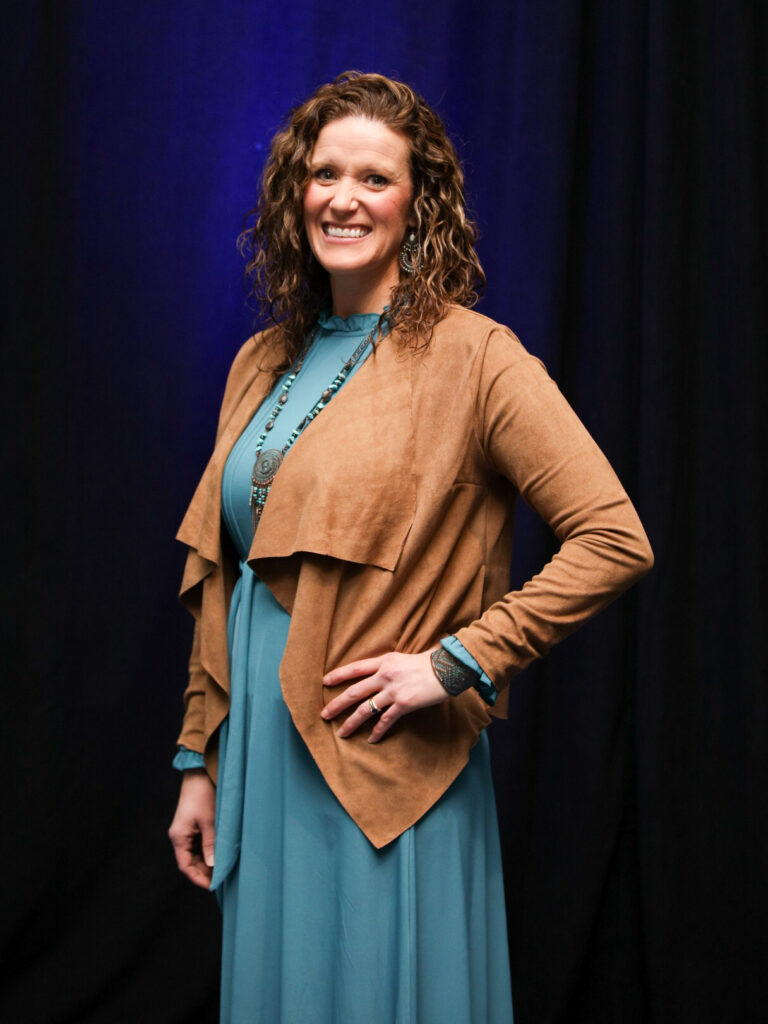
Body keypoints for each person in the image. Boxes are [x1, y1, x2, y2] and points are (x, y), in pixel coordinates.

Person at [168, 71, 653, 1024]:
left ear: (419, 204)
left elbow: (614, 536)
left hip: (380, 756)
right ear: (294, 192)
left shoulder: (478, 356)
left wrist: (460, 661)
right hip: (264, 752)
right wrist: (199, 760)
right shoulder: (261, 360)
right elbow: (225, 575)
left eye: (375, 179)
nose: (343, 198)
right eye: (324, 173)